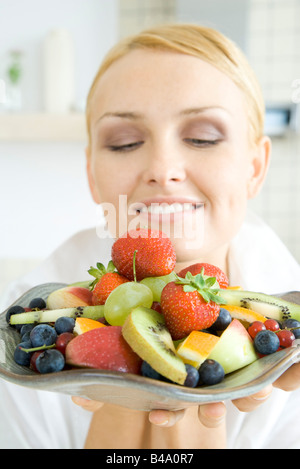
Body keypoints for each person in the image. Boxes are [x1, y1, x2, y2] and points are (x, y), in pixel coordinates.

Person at [1, 23, 300, 449]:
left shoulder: (290, 331)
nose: (163, 166)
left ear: (255, 167)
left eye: (202, 138)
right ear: (92, 175)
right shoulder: (20, 328)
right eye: (124, 143)